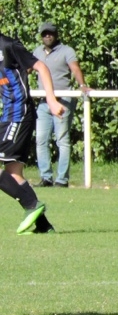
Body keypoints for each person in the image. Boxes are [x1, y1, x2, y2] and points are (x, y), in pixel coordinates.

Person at [1, 29, 64, 234]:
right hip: (9, 115)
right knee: (13, 173)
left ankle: (31, 205)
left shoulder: (8, 45)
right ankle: (44, 225)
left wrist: (52, 100)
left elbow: (41, 67)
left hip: (19, 113)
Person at [32, 21, 90, 188]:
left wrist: (82, 85)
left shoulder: (66, 51)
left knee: (62, 140)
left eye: (50, 33)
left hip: (63, 101)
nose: (47, 36)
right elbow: (26, 68)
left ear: (56, 35)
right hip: (44, 102)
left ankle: (62, 180)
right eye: (44, 34)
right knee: (41, 140)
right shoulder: (37, 52)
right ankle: (46, 177)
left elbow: (75, 69)